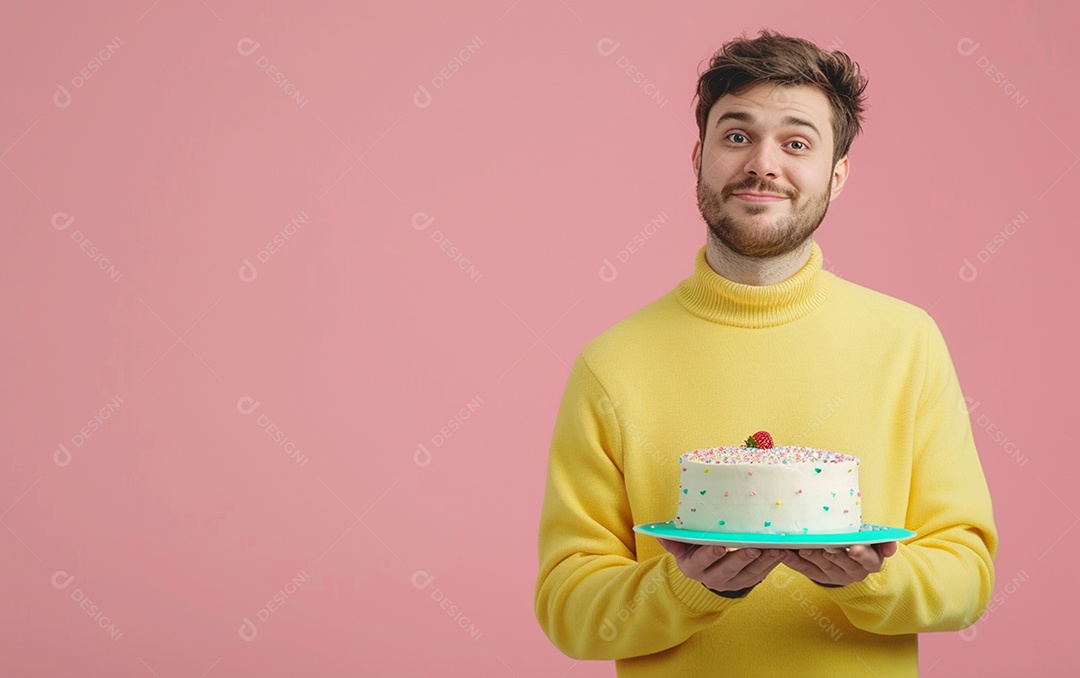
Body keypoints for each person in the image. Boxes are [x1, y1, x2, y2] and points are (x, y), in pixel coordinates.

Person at [533, 29, 997, 677]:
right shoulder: (612, 362)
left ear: (837, 176)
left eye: (797, 143)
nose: (763, 164)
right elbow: (569, 609)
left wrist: (868, 581)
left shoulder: (906, 342)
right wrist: (688, 588)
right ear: (699, 156)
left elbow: (968, 577)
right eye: (736, 136)